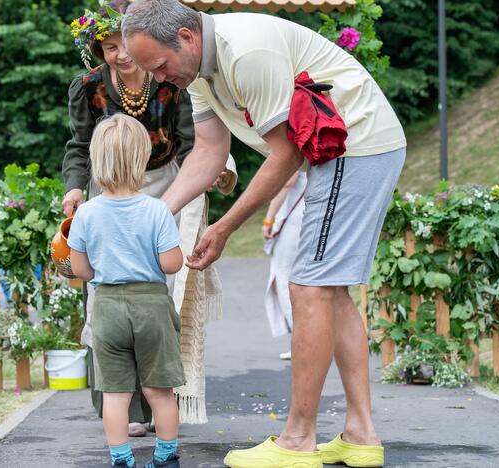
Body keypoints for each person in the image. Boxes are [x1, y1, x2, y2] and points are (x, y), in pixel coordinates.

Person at [123, 2, 406, 466]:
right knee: (328, 290)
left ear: (187, 38)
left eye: (159, 66)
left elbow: (286, 154)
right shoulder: (195, 74)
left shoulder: (245, 52)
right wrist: (156, 213)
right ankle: (360, 434)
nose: (158, 79)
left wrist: (225, 226)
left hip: (354, 145)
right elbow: (210, 153)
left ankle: (298, 440)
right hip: (341, 152)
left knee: (309, 287)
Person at [63, 0, 237, 436]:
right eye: (109, 47)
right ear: (98, 48)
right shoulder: (88, 87)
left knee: (161, 293)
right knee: (103, 295)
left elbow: (193, 139)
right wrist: (75, 187)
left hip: (165, 186)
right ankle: (122, 408)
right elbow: (78, 145)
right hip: (107, 190)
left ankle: (163, 398)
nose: (121, 55)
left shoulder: (169, 79)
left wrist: (212, 174)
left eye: (125, 45)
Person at [69, 114, 185, 468]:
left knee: (115, 394)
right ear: (142, 159)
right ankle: (165, 457)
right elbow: (171, 264)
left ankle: (122, 459)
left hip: (106, 307)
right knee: (159, 390)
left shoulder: (86, 213)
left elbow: (80, 270)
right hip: (150, 303)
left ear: (96, 160)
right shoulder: (156, 210)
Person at [262, 170, 306, 360]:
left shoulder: (290, 142)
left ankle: (301, 343)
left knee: (284, 282)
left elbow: (288, 179)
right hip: (304, 216)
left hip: (292, 221)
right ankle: (306, 340)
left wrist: (269, 218)